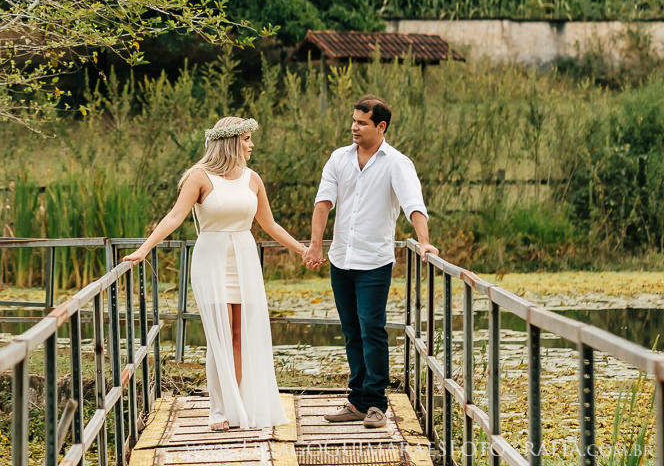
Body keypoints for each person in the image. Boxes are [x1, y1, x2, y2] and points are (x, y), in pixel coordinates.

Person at [124, 116, 307, 431]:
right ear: (232, 142)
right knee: (219, 336)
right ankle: (220, 411)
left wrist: (302, 249)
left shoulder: (253, 179)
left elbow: (269, 224)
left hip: (244, 257)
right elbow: (175, 216)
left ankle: (238, 405)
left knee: (239, 335)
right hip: (212, 258)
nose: (251, 145)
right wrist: (145, 249)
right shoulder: (199, 176)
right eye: (247, 139)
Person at [303, 95, 438, 429]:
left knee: (371, 330)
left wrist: (425, 243)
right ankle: (358, 400)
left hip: (374, 262)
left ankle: (377, 403)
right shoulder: (339, 158)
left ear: (381, 127)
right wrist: (315, 245)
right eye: (353, 120)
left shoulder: (397, 163)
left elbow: (413, 205)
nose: (354, 127)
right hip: (341, 260)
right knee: (351, 332)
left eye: (362, 122)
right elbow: (323, 203)